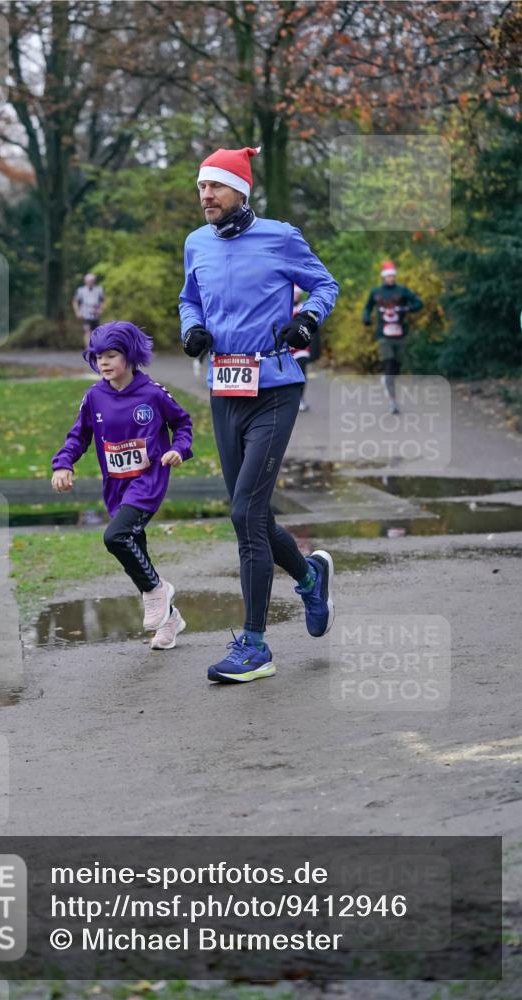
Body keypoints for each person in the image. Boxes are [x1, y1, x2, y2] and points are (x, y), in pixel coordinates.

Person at [179, 145, 339, 684]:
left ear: (240, 191)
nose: (206, 196)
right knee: (253, 515)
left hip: (274, 387)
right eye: (201, 187)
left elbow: (325, 284)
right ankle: (310, 577)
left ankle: (255, 645)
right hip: (224, 389)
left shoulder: (280, 236)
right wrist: (191, 329)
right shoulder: (196, 243)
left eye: (215, 187)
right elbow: (189, 299)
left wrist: (307, 321)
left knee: (245, 511)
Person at [51, 321, 193, 650]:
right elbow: (78, 436)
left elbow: (182, 423)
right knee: (134, 551)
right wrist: (63, 463)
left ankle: (158, 590)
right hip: (116, 487)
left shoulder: (153, 393)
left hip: (148, 481)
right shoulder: (94, 397)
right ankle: (170, 620)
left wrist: (178, 449)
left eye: (111, 355)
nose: (103, 362)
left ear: (129, 356)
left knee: (115, 536)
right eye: (98, 356)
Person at [362, 261, 423, 414]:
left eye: (393, 276)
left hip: (400, 333)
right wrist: (366, 317)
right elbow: (368, 307)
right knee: (388, 365)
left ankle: (388, 381)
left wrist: (407, 308)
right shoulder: (376, 292)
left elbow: (419, 303)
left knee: (397, 366)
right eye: (388, 276)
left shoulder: (402, 291)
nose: (391, 278)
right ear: (383, 277)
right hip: (384, 335)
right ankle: (393, 402)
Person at [291, 284, 312, 412]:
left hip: (301, 348)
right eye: (294, 293)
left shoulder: (305, 307)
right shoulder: (281, 308)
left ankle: (300, 398)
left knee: (302, 373)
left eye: (297, 293)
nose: (296, 295)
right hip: (285, 349)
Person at [72, 273, 106, 348]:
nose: (90, 282)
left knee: (96, 332)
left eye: (92, 281)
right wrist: (77, 312)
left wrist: (101, 310)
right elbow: (75, 301)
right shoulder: (81, 290)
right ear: (85, 281)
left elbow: (103, 301)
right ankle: (88, 348)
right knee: (87, 331)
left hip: (96, 314)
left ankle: (96, 347)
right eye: (89, 281)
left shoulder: (99, 289)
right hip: (85, 314)